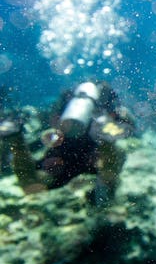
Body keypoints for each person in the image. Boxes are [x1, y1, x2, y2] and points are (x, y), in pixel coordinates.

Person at [0, 81, 134, 204]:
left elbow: (52, 122)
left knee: (31, 185)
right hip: (94, 154)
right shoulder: (109, 105)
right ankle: (104, 201)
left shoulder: (69, 100)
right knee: (112, 165)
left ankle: (16, 138)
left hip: (64, 153)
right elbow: (129, 127)